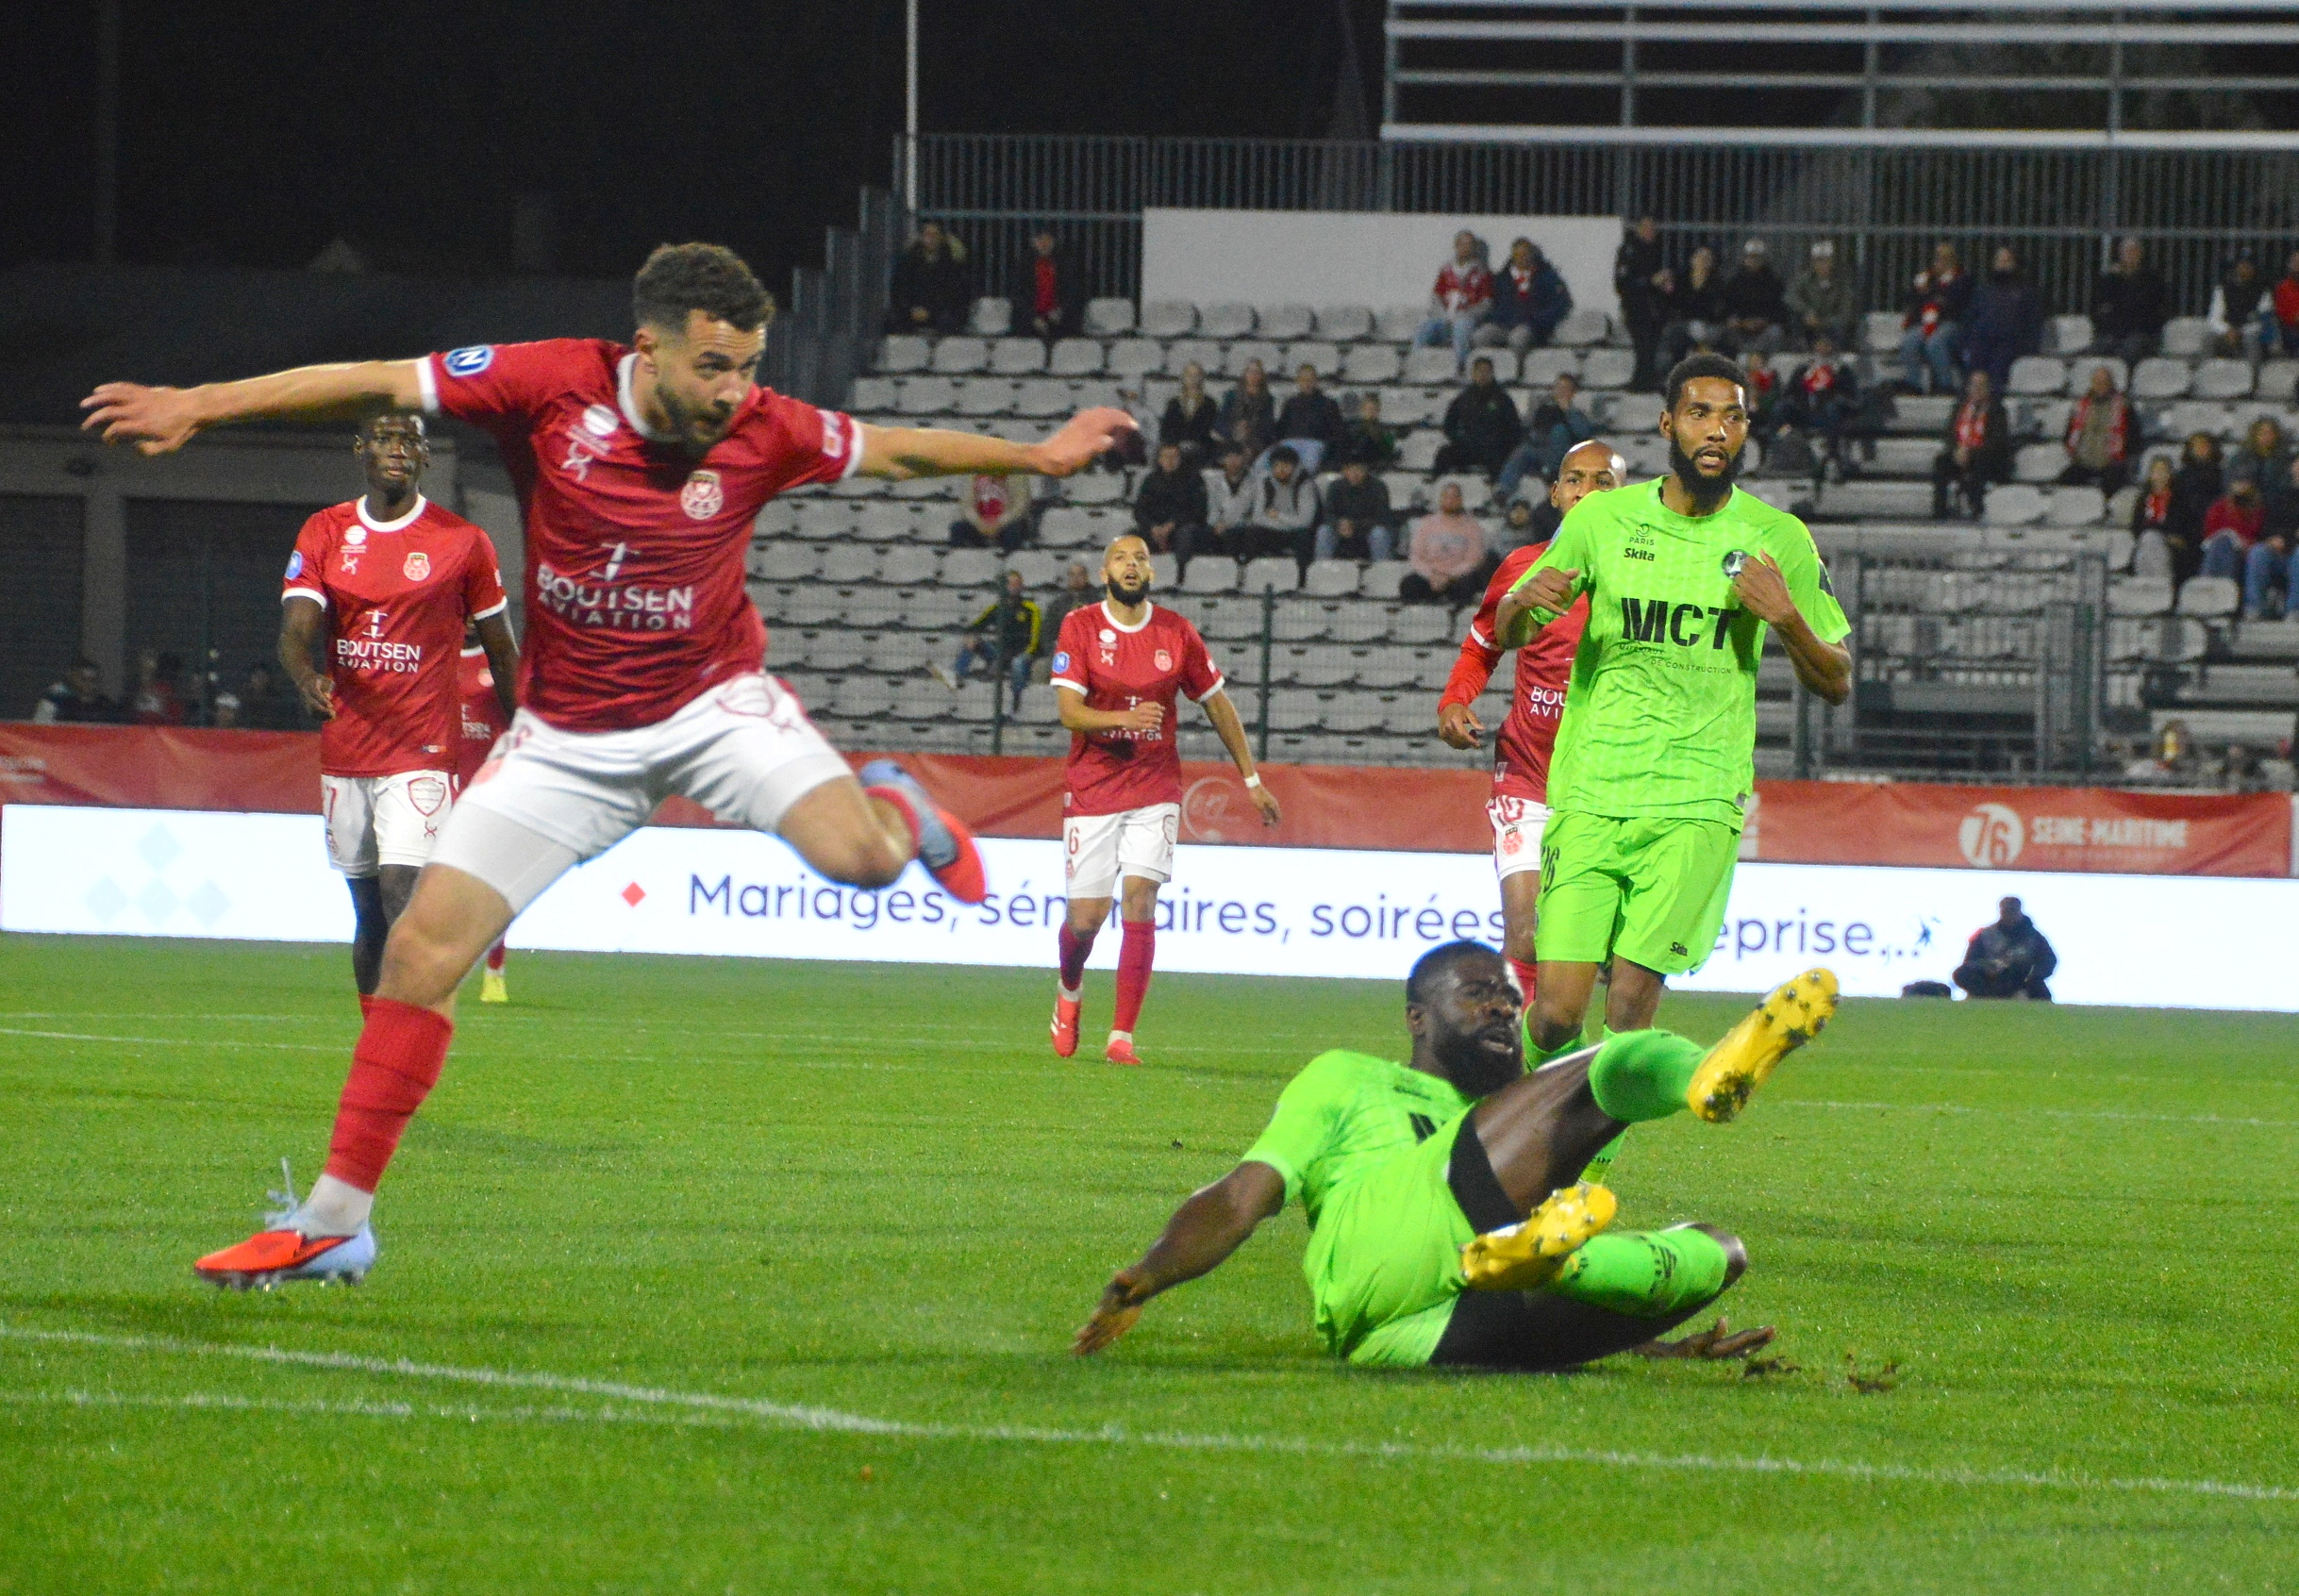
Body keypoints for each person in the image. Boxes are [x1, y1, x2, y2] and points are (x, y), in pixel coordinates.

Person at [82, 241, 1134, 1288]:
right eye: (712, 366)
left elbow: (895, 450)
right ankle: (335, 1224)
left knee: (863, 864)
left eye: (748, 367)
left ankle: (898, 807)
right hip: (567, 744)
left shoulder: (766, 429)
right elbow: (375, 380)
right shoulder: (550, 384)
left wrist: (1037, 459)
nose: (733, 392)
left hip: (715, 710)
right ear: (647, 348)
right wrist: (202, 403)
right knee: (418, 956)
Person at [1074, 943, 1837, 1371]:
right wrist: (1151, 1271)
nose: (1502, 1005)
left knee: (1717, 1251)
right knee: (1604, 1063)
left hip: (1415, 1336)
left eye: (1508, 995)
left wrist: (1650, 1342)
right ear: (1417, 1018)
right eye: (1476, 994)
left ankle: (1544, 1262)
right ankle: (1702, 1079)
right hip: (1382, 1244)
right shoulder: (1348, 1077)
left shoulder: (1508, 1127)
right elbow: (1243, 1195)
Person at [1492, 353, 1851, 1056]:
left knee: (1628, 1008)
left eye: (1732, 417)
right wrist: (1515, 605)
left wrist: (1786, 619)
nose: (1716, 430)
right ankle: (1531, 1111)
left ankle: (1613, 1131)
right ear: (1667, 425)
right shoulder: (1602, 519)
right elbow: (1515, 629)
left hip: (1697, 798)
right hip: (1592, 790)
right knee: (1556, 1014)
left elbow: (1836, 679)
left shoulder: (1778, 538)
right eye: (1699, 414)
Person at [276, 409, 520, 1006]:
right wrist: (305, 676)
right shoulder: (326, 531)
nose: (398, 449)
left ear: (425, 456)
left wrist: (529, 735)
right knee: (368, 911)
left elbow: (503, 651)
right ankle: (377, 1037)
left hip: (422, 749)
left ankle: (405, 1036)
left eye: (410, 440)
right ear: (360, 449)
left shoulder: (462, 541)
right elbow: (295, 632)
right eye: (385, 438)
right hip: (347, 748)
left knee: (401, 894)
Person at [1049, 535, 1279, 1065]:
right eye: (1120, 558)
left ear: (1151, 573)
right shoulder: (1080, 626)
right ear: (1105, 573)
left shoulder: (1176, 632)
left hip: (1155, 786)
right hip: (1094, 785)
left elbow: (1217, 703)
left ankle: (1122, 1036)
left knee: (1140, 898)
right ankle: (1069, 988)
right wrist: (1124, 719)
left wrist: (1251, 779)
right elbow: (1068, 712)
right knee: (1085, 919)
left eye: (1140, 559)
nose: (1131, 565)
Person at [1437, 441, 1619, 1007]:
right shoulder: (1523, 567)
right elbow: (1482, 646)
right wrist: (1454, 701)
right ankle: (1515, 1055)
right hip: (1528, 774)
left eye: (1604, 482)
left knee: (1606, 957)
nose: (1587, 491)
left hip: (1610, 784)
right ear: (1556, 493)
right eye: (1576, 480)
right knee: (1526, 934)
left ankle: (1578, 1049)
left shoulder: (1646, 579)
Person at [455, 622, 515, 1005]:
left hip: (490, 789)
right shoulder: (438, 656)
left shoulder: (501, 660)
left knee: (493, 886)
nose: (468, 623)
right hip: (441, 784)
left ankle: (495, 971)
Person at [939, 568, 1041, 705]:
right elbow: (976, 626)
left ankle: (1017, 701)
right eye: (1009, 583)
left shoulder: (1031, 609)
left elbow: (1035, 639)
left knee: (1018, 663)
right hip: (999, 653)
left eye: (1016, 583)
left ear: (1022, 586)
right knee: (973, 640)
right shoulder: (996, 608)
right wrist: (970, 636)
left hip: (1020, 656)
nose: (1013, 587)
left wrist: (1026, 654)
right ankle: (956, 676)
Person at [1774, 331, 1860, 488]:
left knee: (1832, 410)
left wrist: (1833, 381)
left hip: (1829, 415)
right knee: (1781, 408)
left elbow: (1852, 397)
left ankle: (1833, 457)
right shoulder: (1804, 369)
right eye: (1819, 344)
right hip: (1804, 413)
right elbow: (1789, 392)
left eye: (1826, 345)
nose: (1822, 348)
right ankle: (1776, 450)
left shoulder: (1841, 370)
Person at [1496, 374, 1597, 503]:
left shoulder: (1577, 412)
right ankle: (1503, 491)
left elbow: (1583, 432)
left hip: (1566, 455)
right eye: (1559, 387)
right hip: (1540, 449)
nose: (1561, 391)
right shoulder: (1544, 408)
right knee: (1521, 453)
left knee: (1559, 432)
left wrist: (1567, 411)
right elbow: (1530, 428)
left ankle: (1551, 474)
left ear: (1573, 393)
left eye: (1566, 388)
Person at [1962, 246, 2044, 395]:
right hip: (1982, 343)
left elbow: (2033, 323)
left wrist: (2029, 346)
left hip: (2010, 345)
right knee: (1974, 367)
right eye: (1999, 260)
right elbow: (1970, 318)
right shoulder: (1984, 291)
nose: (2002, 264)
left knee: (1998, 368)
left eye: (2006, 260)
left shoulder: (2026, 292)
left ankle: (1994, 401)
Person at [1932, 368, 2011, 521]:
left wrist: (1970, 452)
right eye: (1974, 385)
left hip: (1987, 456)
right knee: (1941, 461)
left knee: (1979, 462)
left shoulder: (1997, 410)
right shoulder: (1960, 408)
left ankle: (1976, 508)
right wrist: (1957, 450)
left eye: (1981, 385)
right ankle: (1939, 511)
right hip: (1961, 453)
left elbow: (1998, 441)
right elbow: (1950, 435)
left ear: (1988, 388)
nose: (1977, 389)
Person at [1401, 481, 1496, 607]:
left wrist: (1449, 576)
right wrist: (1431, 575)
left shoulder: (1472, 526)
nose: (1450, 501)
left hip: (1457, 578)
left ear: (1460, 500)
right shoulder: (1427, 524)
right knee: (1408, 584)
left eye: (1454, 497)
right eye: (1447, 497)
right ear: (1441, 499)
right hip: (1431, 576)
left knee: (1466, 586)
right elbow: (1416, 556)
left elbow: (1473, 559)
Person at [1414, 229, 1494, 373]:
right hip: (1445, 319)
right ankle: (1415, 364)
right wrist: (1443, 315)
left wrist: (1467, 314)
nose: (1465, 248)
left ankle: (1459, 368)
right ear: (1456, 246)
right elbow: (1436, 297)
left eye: (1469, 245)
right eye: (1462, 244)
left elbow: (1486, 304)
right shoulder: (1446, 270)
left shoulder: (1482, 273)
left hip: (1467, 320)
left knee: (1461, 327)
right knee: (1425, 326)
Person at [1897, 241, 1971, 396]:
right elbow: (1913, 301)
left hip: (1951, 323)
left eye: (1944, 258)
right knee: (1910, 340)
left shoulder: (1962, 280)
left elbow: (1953, 303)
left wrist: (1931, 295)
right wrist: (1919, 289)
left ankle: (1945, 384)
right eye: (1937, 258)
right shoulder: (1928, 279)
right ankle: (1913, 383)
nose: (1939, 262)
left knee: (1935, 342)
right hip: (1926, 322)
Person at [1478, 238, 1572, 354]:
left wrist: (1540, 321)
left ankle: (1518, 365)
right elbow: (1493, 304)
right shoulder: (1502, 278)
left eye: (1525, 254)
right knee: (1481, 336)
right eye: (1517, 255)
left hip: (1533, 327)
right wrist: (1498, 318)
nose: (1521, 258)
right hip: (1504, 324)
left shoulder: (1547, 277)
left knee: (1518, 338)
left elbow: (1562, 303)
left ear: (1531, 255)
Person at [1434, 356, 1523, 477]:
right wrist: (1460, 439)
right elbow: (1449, 425)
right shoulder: (1464, 399)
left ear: (1492, 374)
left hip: (1494, 448)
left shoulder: (1502, 399)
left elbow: (1514, 428)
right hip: (1470, 447)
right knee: (1445, 454)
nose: (1483, 375)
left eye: (1487, 372)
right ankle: (1436, 482)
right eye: (1480, 371)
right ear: (1473, 374)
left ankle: (1495, 486)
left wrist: (1500, 442)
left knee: (1500, 458)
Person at [1953, 898, 2057, 1001]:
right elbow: (1970, 961)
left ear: (2019, 911)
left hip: (2020, 980)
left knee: (2039, 990)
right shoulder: (1984, 934)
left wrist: (2032, 975)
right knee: (1961, 974)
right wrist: (1987, 967)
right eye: (2006, 911)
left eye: (2013, 910)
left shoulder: (2034, 937)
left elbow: (2049, 960)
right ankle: (1986, 997)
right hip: (1990, 979)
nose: (2009, 914)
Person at [1237, 444, 1321, 565]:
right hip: (1272, 529)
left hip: (1295, 532)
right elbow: (1258, 517)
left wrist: (1278, 516)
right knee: (1253, 533)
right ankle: (1248, 570)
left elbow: (1305, 522)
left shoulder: (1305, 485)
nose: (1281, 470)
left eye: (1286, 466)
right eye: (1277, 466)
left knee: (1304, 536)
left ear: (1295, 467)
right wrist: (1279, 523)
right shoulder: (1264, 481)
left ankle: (1302, 574)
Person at [885, 220, 970, 337]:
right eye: (927, 234)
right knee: (892, 321)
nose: (931, 239)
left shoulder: (950, 263)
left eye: (935, 235)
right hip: (913, 312)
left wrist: (930, 312)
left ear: (941, 238)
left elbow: (954, 294)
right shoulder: (909, 261)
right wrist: (912, 310)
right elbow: (899, 291)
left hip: (939, 313)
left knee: (950, 321)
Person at [1613, 216, 1669, 391]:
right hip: (1636, 307)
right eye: (1646, 228)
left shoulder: (1658, 250)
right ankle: (1641, 381)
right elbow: (1623, 283)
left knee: (1651, 346)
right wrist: (1650, 282)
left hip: (1654, 308)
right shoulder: (1629, 250)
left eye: (1653, 228)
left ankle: (1647, 380)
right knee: (1642, 346)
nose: (1651, 232)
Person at [2093, 238, 2168, 365]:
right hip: (2115, 332)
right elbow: (2103, 303)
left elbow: (2147, 306)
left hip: (2142, 332)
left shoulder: (2151, 279)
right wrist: (2114, 279)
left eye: (2133, 252)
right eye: (2126, 252)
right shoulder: (2112, 278)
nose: (2129, 256)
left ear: (2140, 254)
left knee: (2129, 349)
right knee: (2099, 348)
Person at [2241, 456, 2299, 619]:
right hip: (2279, 550)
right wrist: (2273, 539)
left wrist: (2289, 539)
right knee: (2258, 552)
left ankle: (2294, 610)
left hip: (2295, 552)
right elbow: (2267, 527)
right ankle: (2254, 608)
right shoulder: (2279, 496)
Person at [2059, 365, 2133, 494]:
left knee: (2114, 479)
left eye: (2104, 383)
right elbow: (2068, 435)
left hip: (2111, 463)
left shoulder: (2124, 407)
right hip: (2083, 462)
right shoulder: (2080, 406)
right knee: (2066, 479)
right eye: (2097, 382)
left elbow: (2133, 438)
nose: (2100, 386)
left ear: (2111, 384)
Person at [1008, 225, 1084, 343]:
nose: (1044, 244)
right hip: (1029, 320)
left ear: (1054, 242)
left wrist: (1060, 311)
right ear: (1033, 242)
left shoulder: (1066, 265)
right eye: (1040, 240)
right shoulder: (1022, 266)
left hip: (1059, 319)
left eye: (1048, 240)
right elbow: (1017, 295)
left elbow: (1074, 293)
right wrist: (1033, 318)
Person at [2166, 432, 2225, 584]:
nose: (2200, 449)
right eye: (2196, 446)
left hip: (2212, 530)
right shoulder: (2181, 477)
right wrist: (2175, 532)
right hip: (2186, 532)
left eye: (2204, 445)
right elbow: (2174, 507)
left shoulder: (2221, 475)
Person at [1131, 441, 1206, 560]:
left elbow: (1197, 510)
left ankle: (1181, 569)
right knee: (1130, 537)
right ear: (1160, 460)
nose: (1170, 460)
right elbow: (1139, 510)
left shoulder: (1193, 480)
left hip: (1181, 526)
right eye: (1166, 456)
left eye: (1174, 457)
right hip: (1154, 527)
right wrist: (1152, 526)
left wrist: (1173, 524)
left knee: (1186, 535)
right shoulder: (1151, 480)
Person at [1718, 238, 1789, 357]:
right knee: (1727, 332)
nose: (1754, 261)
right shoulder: (1734, 281)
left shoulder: (1773, 281)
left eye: (1757, 257)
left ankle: (1767, 364)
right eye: (1751, 257)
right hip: (1741, 328)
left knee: (1776, 332)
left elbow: (1779, 309)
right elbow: (1726, 307)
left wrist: (1764, 321)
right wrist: (1741, 322)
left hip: (1764, 329)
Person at [1658, 246, 1724, 371]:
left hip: (1708, 324)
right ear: (1692, 260)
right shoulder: (1682, 280)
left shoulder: (1717, 282)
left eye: (1706, 259)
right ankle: (1667, 372)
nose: (1702, 262)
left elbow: (1716, 308)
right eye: (1699, 258)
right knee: (1670, 333)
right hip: (1684, 323)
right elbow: (1674, 303)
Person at [1317, 457, 1396, 563]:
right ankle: (1322, 568)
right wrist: (1338, 524)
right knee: (1324, 531)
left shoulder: (1378, 487)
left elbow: (1382, 517)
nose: (1355, 474)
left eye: (1359, 470)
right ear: (1344, 471)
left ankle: (1383, 569)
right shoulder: (1335, 487)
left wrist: (1354, 525)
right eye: (1350, 470)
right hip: (1342, 529)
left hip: (1368, 529)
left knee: (1379, 533)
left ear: (1366, 470)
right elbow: (1328, 514)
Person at [1785, 239, 1858, 352]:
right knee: (1795, 324)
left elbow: (1846, 313)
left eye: (1827, 260)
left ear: (1833, 261)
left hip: (1832, 328)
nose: (1823, 265)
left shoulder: (1843, 282)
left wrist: (1823, 322)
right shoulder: (1806, 279)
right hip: (1810, 327)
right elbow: (1790, 296)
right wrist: (1807, 311)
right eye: (1819, 261)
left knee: (1841, 331)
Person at [1274, 363, 1344, 472]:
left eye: (1310, 380)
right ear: (1298, 381)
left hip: (1315, 445)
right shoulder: (1291, 403)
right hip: (1291, 445)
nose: (1307, 383)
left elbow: (1337, 432)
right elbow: (1281, 428)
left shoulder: (1328, 404)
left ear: (1316, 381)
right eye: (1303, 380)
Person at [2200, 477, 2267, 584]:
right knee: (2223, 543)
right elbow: (2210, 532)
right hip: (2220, 547)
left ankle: (2215, 583)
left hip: (2246, 550)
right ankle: (2212, 583)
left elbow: (2256, 533)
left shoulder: (2258, 510)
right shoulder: (2219, 507)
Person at [2207, 252, 2272, 359]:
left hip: (2249, 333)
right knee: (2209, 338)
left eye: (2249, 265)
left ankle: (2253, 370)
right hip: (2226, 333)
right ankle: (2205, 368)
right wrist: (2227, 330)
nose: (2245, 268)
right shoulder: (2223, 289)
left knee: (2251, 341)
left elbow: (2263, 322)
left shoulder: (2263, 292)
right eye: (2242, 264)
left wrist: (2240, 332)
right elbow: (2214, 318)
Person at [947, 472, 1034, 552]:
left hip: (1007, 523)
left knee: (1013, 531)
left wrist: (1000, 522)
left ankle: (1008, 559)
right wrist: (979, 523)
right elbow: (966, 505)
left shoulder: (1017, 474)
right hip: (980, 525)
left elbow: (1020, 506)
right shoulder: (972, 474)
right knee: (957, 529)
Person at [1215, 359, 1275, 463]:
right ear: (1245, 374)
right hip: (1231, 437)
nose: (1253, 376)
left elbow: (1268, 425)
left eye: (1257, 372)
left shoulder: (1267, 399)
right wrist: (1235, 430)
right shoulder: (1231, 396)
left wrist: (1250, 429)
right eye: (1250, 372)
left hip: (1256, 439)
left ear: (1262, 376)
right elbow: (1221, 421)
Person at [1158, 362, 1219, 465]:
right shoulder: (1174, 403)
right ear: (1184, 378)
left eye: (1196, 375)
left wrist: (1193, 443)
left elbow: (1208, 427)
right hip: (1176, 446)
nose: (1193, 379)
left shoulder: (1209, 403)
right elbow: (1167, 428)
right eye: (1189, 375)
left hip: (1200, 446)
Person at [2129, 456, 2177, 577]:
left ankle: (2162, 581)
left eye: (2164, 471)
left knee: (2151, 539)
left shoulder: (2179, 499)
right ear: (2150, 475)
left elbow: (2179, 527)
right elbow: (2136, 527)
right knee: (2148, 540)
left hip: (2170, 546)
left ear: (2170, 475)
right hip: (2145, 542)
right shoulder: (2143, 499)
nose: (2160, 475)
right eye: (2156, 471)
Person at [31, 657, 119, 723]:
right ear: (71, 677)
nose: (88, 684)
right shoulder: (54, 702)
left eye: (93, 680)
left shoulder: (106, 705)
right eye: (83, 679)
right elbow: (41, 730)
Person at [2224, 416, 2292, 496]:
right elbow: (2228, 481)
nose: (2266, 437)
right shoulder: (2241, 458)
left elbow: (2287, 484)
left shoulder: (2285, 459)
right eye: (2262, 433)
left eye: (2270, 433)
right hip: (2246, 500)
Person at [1332, 391, 1397, 471]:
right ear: (1362, 409)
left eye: (1374, 409)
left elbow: (1388, 449)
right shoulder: (1353, 427)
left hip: (1374, 462)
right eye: (1368, 409)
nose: (1371, 412)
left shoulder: (1384, 430)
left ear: (1378, 411)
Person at [238, 660, 307, 730]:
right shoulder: (244, 698)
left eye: (263, 676)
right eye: (256, 676)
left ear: (268, 678)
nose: (260, 680)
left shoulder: (276, 699)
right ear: (251, 678)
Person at [1040, 559, 1095, 647]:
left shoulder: (1097, 602)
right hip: (1064, 649)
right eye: (1072, 575)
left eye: (1080, 574)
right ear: (1068, 578)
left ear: (1086, 577)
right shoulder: (1057, 604)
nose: (1076, 578)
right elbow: (1048, 632)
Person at [129, 649, 187, 725]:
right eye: (143, 659)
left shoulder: (165, 690)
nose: (146, 663)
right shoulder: (133, 689)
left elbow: (175, 717)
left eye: (150, 658)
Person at [2268, 250, 2299, 358]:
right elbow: (2280, 312)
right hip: (2289, 329)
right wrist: (2294, 317)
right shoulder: (2283, 288)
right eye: (2296, 263)